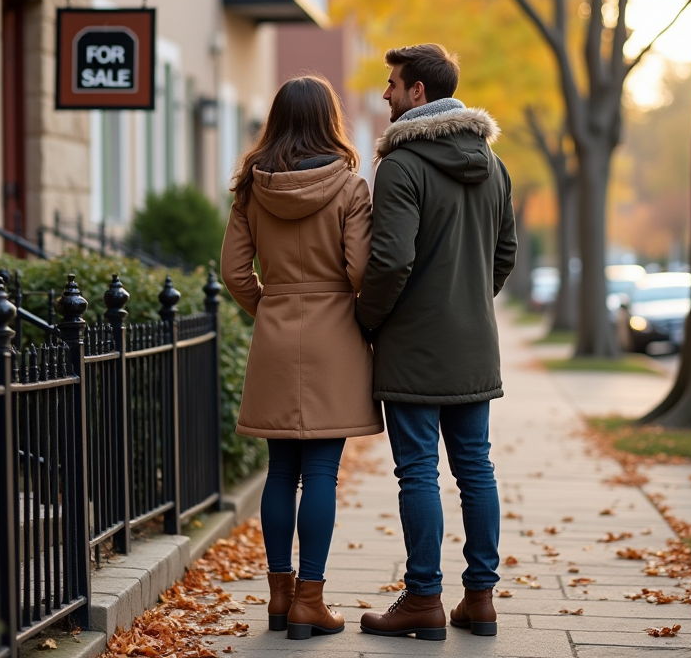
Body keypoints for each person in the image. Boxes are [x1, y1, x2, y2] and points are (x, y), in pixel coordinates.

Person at [356, 44, 517, 641]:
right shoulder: (493, 165)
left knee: (418, 470)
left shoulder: (401, 165)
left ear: (418, 91)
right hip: (474, 344)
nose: (386, 94)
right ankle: (480, 600)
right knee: (475, 467)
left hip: (414, 347)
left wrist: (368, 320)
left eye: (393, 84)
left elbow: (391, 260)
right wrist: (471, 301)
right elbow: (506, 254)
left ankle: (423, 599)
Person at [221, 75, 383, 641]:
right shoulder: (349, 187)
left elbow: (234, 273)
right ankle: (311, 602)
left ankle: (279, 596)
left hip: (275, 330)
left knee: (280, 470)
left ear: (277, 119)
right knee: (320, 472)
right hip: (333, 335)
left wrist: (269, 306)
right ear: (329, 120)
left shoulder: (249, 188)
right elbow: (363, 270)